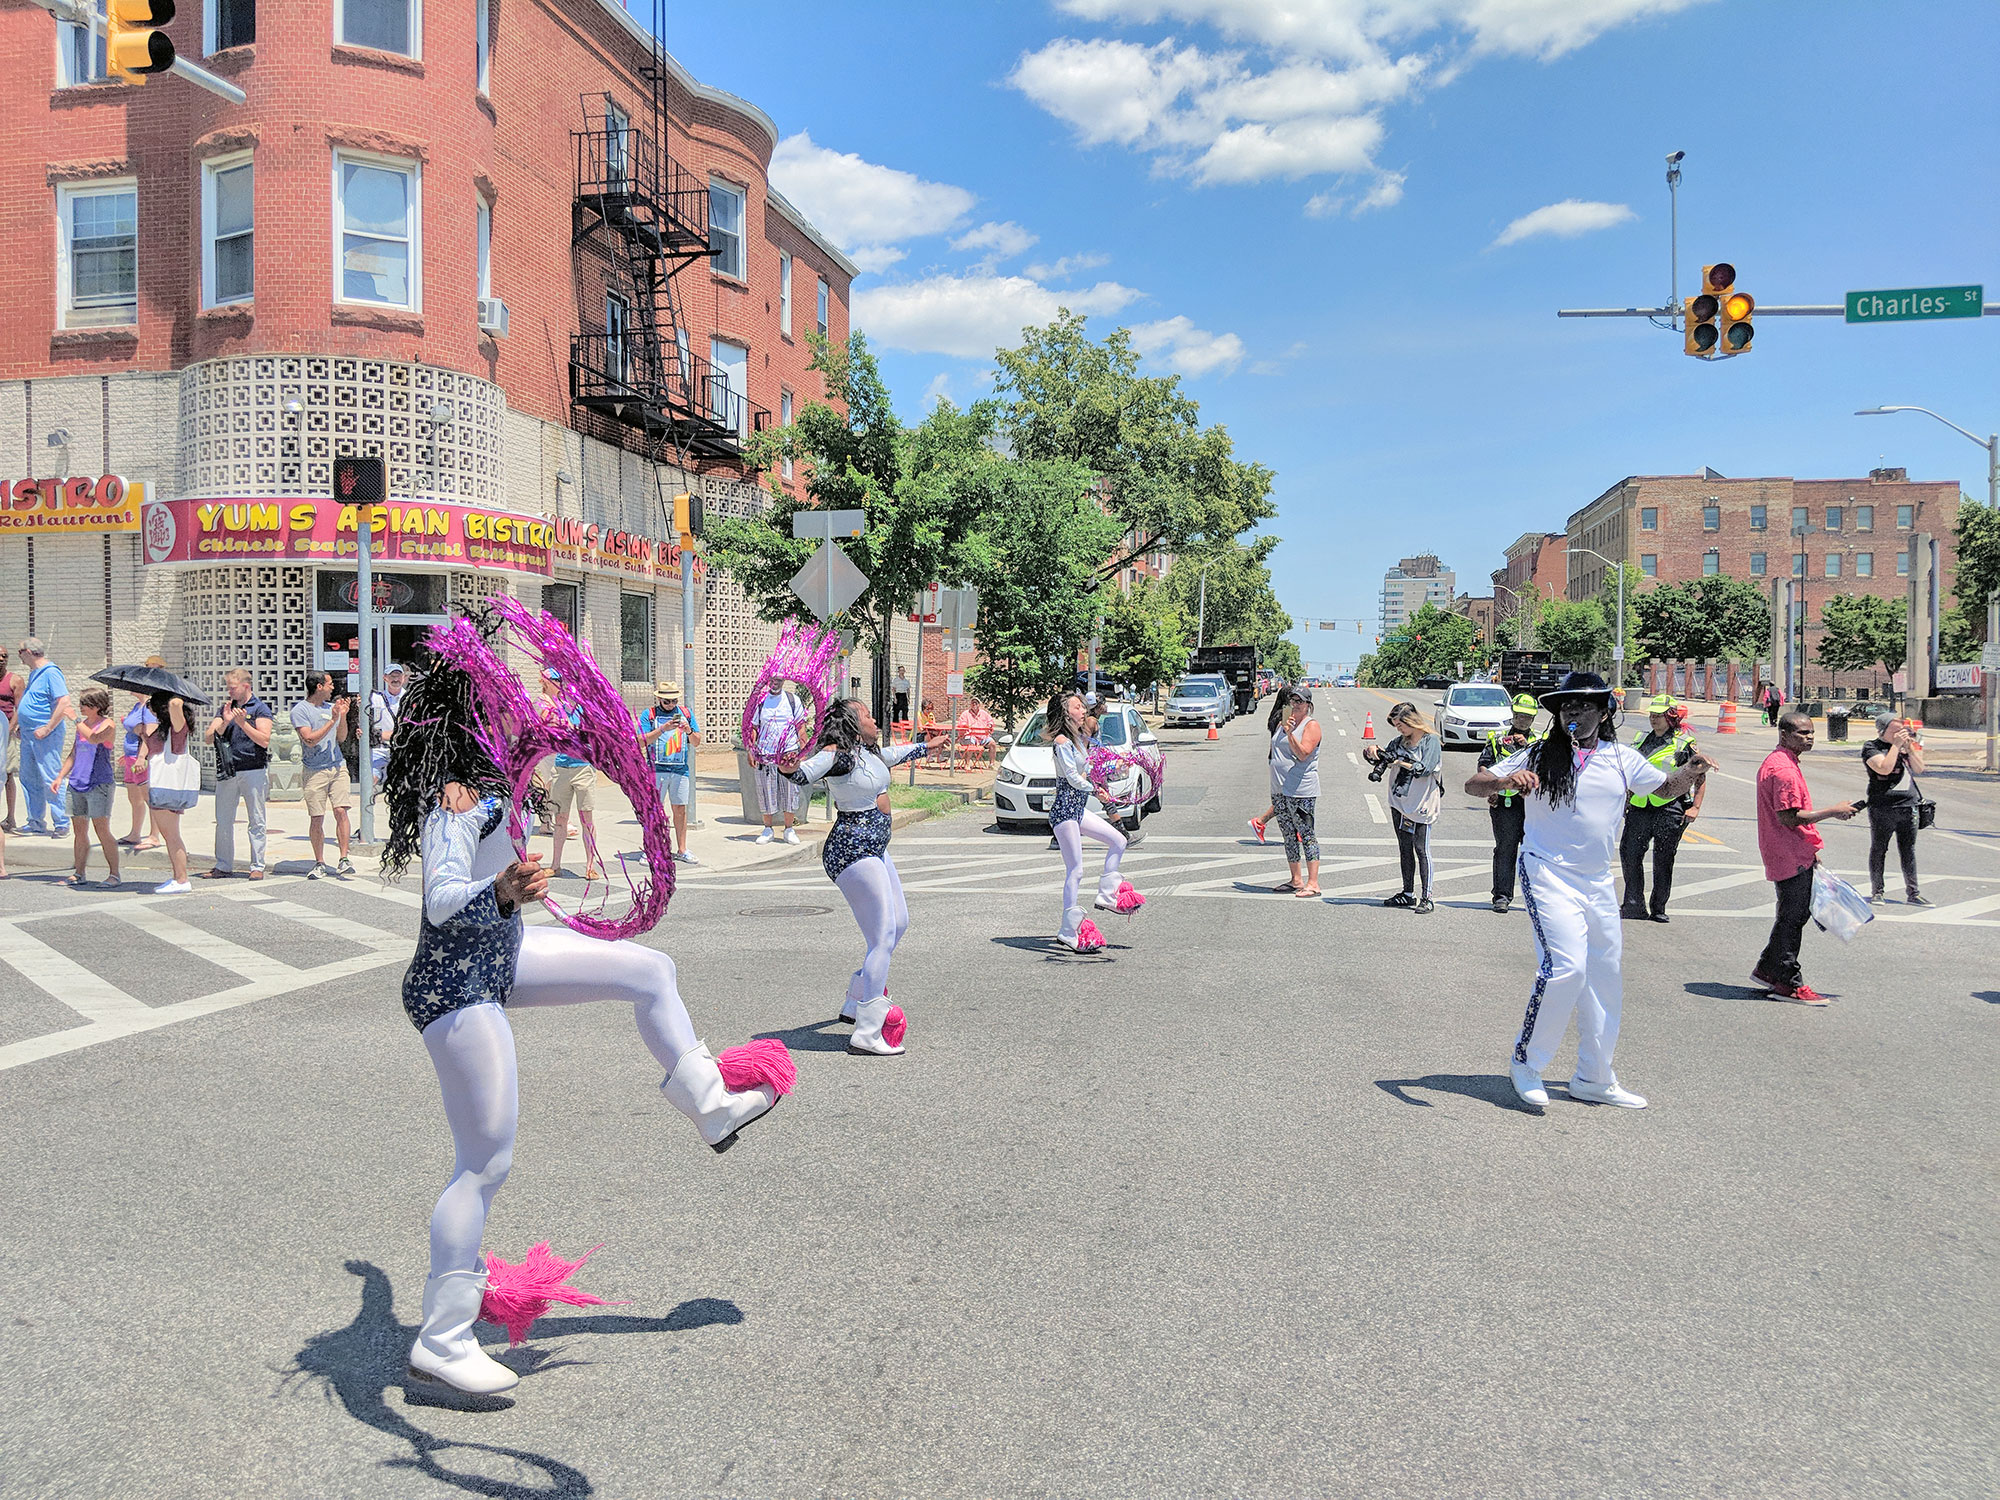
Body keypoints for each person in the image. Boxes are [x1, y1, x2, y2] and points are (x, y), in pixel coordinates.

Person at [380, 640, 791, 1399]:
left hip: (499, 957)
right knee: (485, 1160)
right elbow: (440, 898)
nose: (519, 703)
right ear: (476, 713)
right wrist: (501, 890)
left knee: (648, 970)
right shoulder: (457, 797)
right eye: (503, 697)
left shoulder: (499, 779)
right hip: (454, 987)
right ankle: (441, 1339)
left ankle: (710, 1106)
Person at [1465, 671, 1715, 1111]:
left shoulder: (1620, 758)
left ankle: (1594, 1077)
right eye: (1565, 707)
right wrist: (1507, 781)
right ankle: (1527, 1062)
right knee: (1566, 968)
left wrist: (1691, 772)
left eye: (1582, 706)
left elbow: (1662, 790)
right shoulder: (1538, 753)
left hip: (1598, 881)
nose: (1572, 713)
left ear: (1604, 712)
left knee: (1604, 977)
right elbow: (1475, 783)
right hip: (1547, 873)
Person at [779, 698, 930, 1053]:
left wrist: (927, 746)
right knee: (882, 936)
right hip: (852, 848)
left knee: (900, 923)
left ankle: (855, 998)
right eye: (866, 714)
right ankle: (867, 1031)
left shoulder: (868, 753)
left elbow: (894, 756)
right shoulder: (838, 754)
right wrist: (789, 770)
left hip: (875, 848)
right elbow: (805, 772)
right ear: (850, 721)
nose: (874, 719)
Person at [1754, 711, 1857, 1004]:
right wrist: (1833, 811)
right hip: (1788, 852)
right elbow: (1788, 818)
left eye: (1811, 732)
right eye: (1801, 733)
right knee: (1793, 918)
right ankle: (1788, 982)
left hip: (1790, 851)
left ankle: (1767, 969)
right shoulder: (1784, 770)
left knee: (1792, 914)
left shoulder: (1781, 761)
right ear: (1784, 735)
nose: (1809, 737)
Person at [1045, 689, 1142, 953]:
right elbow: (1074, 778)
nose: (1082, 709)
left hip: (1077, 810)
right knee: (1075, 870)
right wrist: (1093, 789)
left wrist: (1114, 770)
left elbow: (1087, 771)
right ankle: (1068, 930)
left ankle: (1108, 894)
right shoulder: (1063, 741)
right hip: (1065, 812)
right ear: (1067, 713)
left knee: (1119, 840)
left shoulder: (1077, 740)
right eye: (1077, 706)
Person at [1619, 694, 1706, 923]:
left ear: (1671, 718)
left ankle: (1658, 907)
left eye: (1659, 716)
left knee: (1664, 858)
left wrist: (1695, 807)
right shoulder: (1640, 739)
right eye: (1651, 715)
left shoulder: (1684, 743)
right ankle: (1633, 904)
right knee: (1630, 854)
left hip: (1670, 806)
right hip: (1640, 805)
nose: (1653, 720)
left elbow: (1700, 777)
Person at [1366, 703, 1443, 914]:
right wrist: (1373, 753)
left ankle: (1427, 897)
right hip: (1399, 801)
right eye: (1395, 725)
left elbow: (1425, 768)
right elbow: (1383, 759)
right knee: (1404, 847)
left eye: (1400, 724)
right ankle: (1407, 893)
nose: (1398, 729)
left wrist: (1400, 761)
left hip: (1422, 803)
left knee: (1421, 849)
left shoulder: (1431, 742)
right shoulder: (1398, 742)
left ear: (1411, 721)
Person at [203, 667, 274, 880]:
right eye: (228, 687)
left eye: (232, 687)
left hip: (253, 768)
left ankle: (257, 866)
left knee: (256, 819)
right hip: (228, 771)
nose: (229, 691)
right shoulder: (226, 708)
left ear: (245, 686)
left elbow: (264, 739)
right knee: (223, 820)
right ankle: (223, 864)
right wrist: (225, 721)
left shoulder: (260, 708)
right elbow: (208, 737)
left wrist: (243, 724)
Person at [291, 672, 355, 880]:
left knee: (341, 811)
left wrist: (342, 716)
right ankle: (319, 862)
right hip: (314, 770)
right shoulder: (300, 710)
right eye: (329, 684)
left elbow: (342, 737)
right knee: (317, 817)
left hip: (337, 766)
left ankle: (344, 858)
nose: (332, 688)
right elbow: (309, 739)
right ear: (319, 687)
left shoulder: (331, 709)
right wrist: (332, 720)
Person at [1479, 694, 1540, 913]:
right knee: (1505, 850)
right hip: (1505, 805)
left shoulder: (1540, 742)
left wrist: (1528, 746)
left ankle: (1538, 898)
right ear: (1513, 714)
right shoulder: (1497, 739)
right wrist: (1491, 788)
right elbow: (1484, 766)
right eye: (1520, 715)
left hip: (1532, 807)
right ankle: (1502, 896)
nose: (1523, 720)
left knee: (1534, 852)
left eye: (1528, 717)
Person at [55, 688, 121, 887]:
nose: (80, 707)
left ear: (96, 706)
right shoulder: (82, 725)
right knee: (79, 830)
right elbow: (74, 754)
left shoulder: (108, 725)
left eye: (84, 704)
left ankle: (114, 874)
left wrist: (75, 720)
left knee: (102, 829)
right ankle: (79, 872)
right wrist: (60, 777)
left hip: (98, 783)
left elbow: (94, 738)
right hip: (77, 782)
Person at [541, 669, 603, 881]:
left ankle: (590, 865)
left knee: (587, 818)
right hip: (561, 766)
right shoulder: (556, 708)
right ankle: (555, 865)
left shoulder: (587, 711)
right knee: (560, 818)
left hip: (584, 767)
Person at [1862, 714, 1928, 906]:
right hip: (1882, 807)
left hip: (1908, 805)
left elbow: (1919, 769)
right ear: (1882, 730)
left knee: (1908, 850)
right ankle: (1877, 891)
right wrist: (1896, 746)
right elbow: (1884, 768)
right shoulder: (1871, 747)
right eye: (1895, 730)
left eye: (1901, 729)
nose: (1899, 733)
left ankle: (1913, 893)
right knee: (1879, 848)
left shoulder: (1903, 747)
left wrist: (1910, 749)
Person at [141, 691, 199, 894]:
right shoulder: (163, 730)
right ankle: (177, 877)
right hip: (160, 786)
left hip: (168, 788)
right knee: (170, 836)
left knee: (172, 836)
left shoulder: (177, 729)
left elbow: (175, 705)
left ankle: (182, 879)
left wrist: (174, 696)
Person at [16, 637, 73, 837]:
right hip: (30, 733)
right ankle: (35, 821)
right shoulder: (35, 674)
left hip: (44, 735)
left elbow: (64, 702)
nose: (19, 657)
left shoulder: (51, 673)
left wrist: (48, 728)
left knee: (51, 777)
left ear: (29, 652)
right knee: (29, 778)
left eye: (19, 652)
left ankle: (62, 822)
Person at [639, 681, 702, 865]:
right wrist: (662, 729)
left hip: (680, 769)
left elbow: (697, 741)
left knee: (680, 810)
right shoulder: (649, 715)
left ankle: (682, 849)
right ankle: (652, 849)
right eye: (666, 701)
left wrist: (688, 730)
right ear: (659, 699)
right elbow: (641, 741)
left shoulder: (686, 713)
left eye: (674, 700)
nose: (671, 705)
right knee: (654, 811)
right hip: (656, 770)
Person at [1268, 688, 1322, 897]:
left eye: (1301, 701)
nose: (1297, 704)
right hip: (1279, 788)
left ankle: (1313, 882)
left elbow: (1302, 754)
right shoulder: (1285, 722)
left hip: (1301, 790)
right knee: (1288, 835)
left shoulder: (1311, 725)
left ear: (1308, 705)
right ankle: (1296, 879)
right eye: (1294, 700)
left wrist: (1290, 733)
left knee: (1307, 835)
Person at [750, 679, 806, 845]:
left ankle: (789, 829)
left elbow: (800, 726)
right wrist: (751, 749)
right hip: (765, 755)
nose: (775, 682)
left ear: (783, 681)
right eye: (773, 679)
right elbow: (753, 727)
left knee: (790, 792)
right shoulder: (760, 702)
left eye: (779, 679)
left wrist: (802, 751)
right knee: (766, 792)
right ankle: (768, 828)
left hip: (788, 755)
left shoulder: (792, 700)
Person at [117, 670, 162, 853]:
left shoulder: (149, 709)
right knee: (134, 798)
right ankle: (135, 833)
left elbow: (148, 736)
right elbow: (134, 730)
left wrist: (141, 757)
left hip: (140, 757)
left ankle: (154, 835)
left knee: (147, 797)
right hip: (130, 756)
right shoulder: (137, 706)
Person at [1248, 686, 1295, 844]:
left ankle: (1296, 831)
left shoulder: (1276, 714)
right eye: (1294, 698)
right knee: (1288, 797)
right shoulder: (1285, 713)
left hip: (1276, 758)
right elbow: (1286, 738)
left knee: (1288, 797)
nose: (1297, 701)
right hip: (1283, 759)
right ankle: (1260, 822)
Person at [370, 663, 408, 787]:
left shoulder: (411, 699)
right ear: (385, 678)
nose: (395, 679)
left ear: (403, 678)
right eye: (392, 676)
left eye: (398, 676)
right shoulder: (375, 698)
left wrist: (387, 735)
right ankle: (367, 805)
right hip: (380, 749)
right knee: (370, 779)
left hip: (403, 749)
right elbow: (369, 725)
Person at [0, 642, 21, 833]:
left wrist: (9, 729)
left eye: (4, 656)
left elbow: (20, 708)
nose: (1, 659)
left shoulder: (14, 680)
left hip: (5, 733)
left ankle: (11, 817)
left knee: (7, 776)